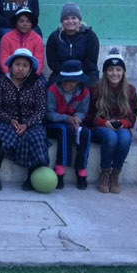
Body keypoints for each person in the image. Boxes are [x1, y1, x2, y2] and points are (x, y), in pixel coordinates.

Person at [0, 48, 49, 191]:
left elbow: (41, 110)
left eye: (25, 66)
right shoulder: (2, 82)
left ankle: (32, 177)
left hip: (31, 122)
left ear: (30, 68)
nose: (20, 69)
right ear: (11, 65)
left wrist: (27, 124)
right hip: (7, 121)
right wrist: (10, 120)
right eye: (17, 64)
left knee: (37, 137)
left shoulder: (38, 83)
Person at [85, 50, 137, 194]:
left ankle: (115, 174)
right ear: (105, 72)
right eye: (111, 69)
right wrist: (104, 123)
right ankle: (105, 173)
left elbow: (133, 115)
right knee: (111, 137)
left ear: (123, 72)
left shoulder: (130, 90)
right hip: (100, 127)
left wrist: (123, 123)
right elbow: (88, 116)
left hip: (121, 126)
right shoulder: (95, 89)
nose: (115, 73)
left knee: (125, 138)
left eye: (118, 69)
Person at [45, 60, 91, 190]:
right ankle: (60, 169)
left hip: (74, 123)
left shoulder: (84, 92)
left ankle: (81, 168)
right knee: (65, 130)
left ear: (78, 81)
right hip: (54, 124)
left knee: (86, 133)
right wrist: (66, 118)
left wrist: (77, 118)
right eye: (65, 80)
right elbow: (49, 113)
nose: (67, 84)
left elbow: (82, 111)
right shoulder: (53, 90)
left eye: (71, 81)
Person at [46, 3, 100, 86]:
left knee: (93, 86)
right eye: (66, 19)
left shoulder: (90, 36)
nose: (70, 21)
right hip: (62, 72)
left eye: (74, 18)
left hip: (86, 72)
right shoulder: (54, 37)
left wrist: (76, 73)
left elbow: (91, 62)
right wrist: (67, 73)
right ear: (62, 21)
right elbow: (52, 63)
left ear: (79, 20)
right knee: (51, 87)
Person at [0, 7, 44, 76]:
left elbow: (39, 61)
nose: (25, 24)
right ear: (16, 23)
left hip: (31, 75)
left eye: (28, 21)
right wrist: (10, 75)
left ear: (32, 24)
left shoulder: (37, 39)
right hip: (10, 74)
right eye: (21, 21)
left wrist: (32, 76)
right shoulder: (6, 38)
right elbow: (3, 60)